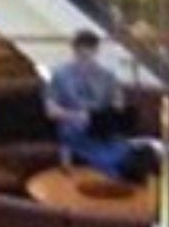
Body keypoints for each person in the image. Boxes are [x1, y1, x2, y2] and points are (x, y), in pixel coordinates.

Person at [44, 31, 138, 181]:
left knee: (124, 148)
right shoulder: (60, 75)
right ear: (74, 51)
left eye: (89, 54)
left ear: (96, 52)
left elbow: (117, 104)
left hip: (101, 125)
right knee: (107, 157)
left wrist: (114, 110)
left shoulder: (107, 76)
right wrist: (77, 116)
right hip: (73, 125)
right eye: (81, 55)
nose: (85, 60)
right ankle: (111, 181)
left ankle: (116, 180)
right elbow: (51, 111)